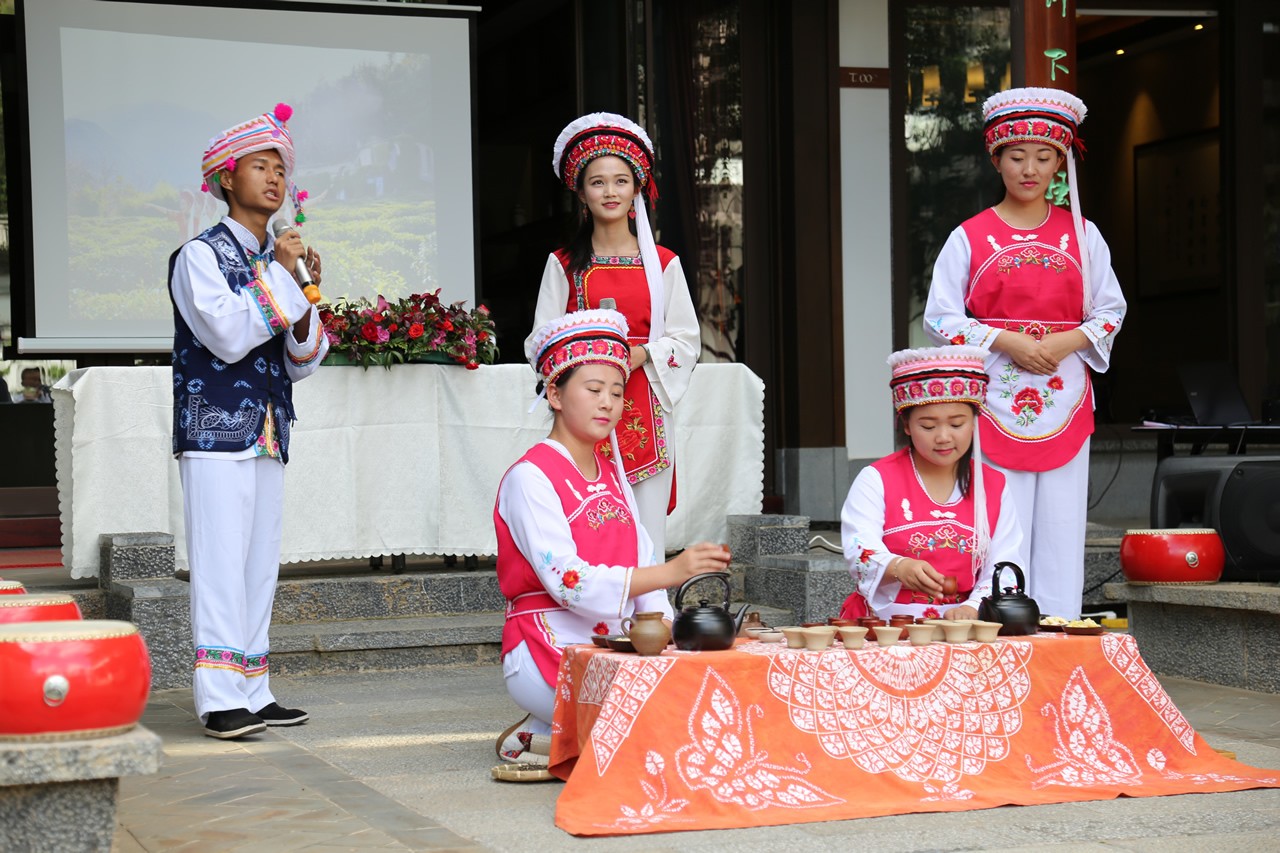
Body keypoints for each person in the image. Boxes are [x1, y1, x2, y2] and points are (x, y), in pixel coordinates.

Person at [923, 87, 1126, 621]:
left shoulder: (1084, 235)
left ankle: (1059, 624)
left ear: (1061, 161)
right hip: (995, 398)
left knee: (1062, 524)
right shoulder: (968, 237)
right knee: (999, 517)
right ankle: (1003, 620)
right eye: (1017, 156)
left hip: (1064, 394)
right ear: (996, 159)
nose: (1029, 168)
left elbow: (1110, 309)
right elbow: (940, 317)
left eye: (1043, 157)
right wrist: (1006, 341)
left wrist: (1066, 341)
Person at [496, 309, 729, 771]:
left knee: (697, 697)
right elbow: (568, 582)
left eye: (618, 392)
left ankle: (552, 734)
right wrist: (672, 569)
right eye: (593, 389)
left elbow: (645, 570)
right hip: (548, 638)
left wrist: (669, 634)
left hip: (617, 640)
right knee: (650, 726)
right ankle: (543, 728)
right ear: (556, 394)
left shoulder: (616, 477)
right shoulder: (530, 477)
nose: (608, 403)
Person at [169, 103, 327, 739]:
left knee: (259, 562)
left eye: (280, 170)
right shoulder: (197, 257)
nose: (274, 180)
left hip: (265, 430)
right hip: (213, 430)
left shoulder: (275, 261)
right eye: (259, 168)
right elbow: (230, 335)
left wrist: (307, 297)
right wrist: (283, 277)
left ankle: (253, 689)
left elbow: (299, 361)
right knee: (219, 561)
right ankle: (216, 698)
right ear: (226, 179)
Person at [525, 113, 700, 561]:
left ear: (637, 189)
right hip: (584, 409)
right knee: (587, 523)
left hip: (645, 404)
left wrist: (638, 354)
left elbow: (686, 340)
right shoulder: (563, 263)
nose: (610, 192)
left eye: (620, 181)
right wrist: (586, 361)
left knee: (647, 537)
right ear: (581, 192)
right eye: (598, 182)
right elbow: (538, 343)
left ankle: (648, 621)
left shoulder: (663, 264)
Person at [840, 347, 1023, 621]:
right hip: (883, 626)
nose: (943, 437)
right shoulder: (876, 478)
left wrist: (971, 607)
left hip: (961, 625)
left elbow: (1005, 562)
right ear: (905, 425)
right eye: (928, 426)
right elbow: (858, 547)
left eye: (957, 424)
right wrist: (898, 566)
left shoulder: (992, 485)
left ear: (974, 423)